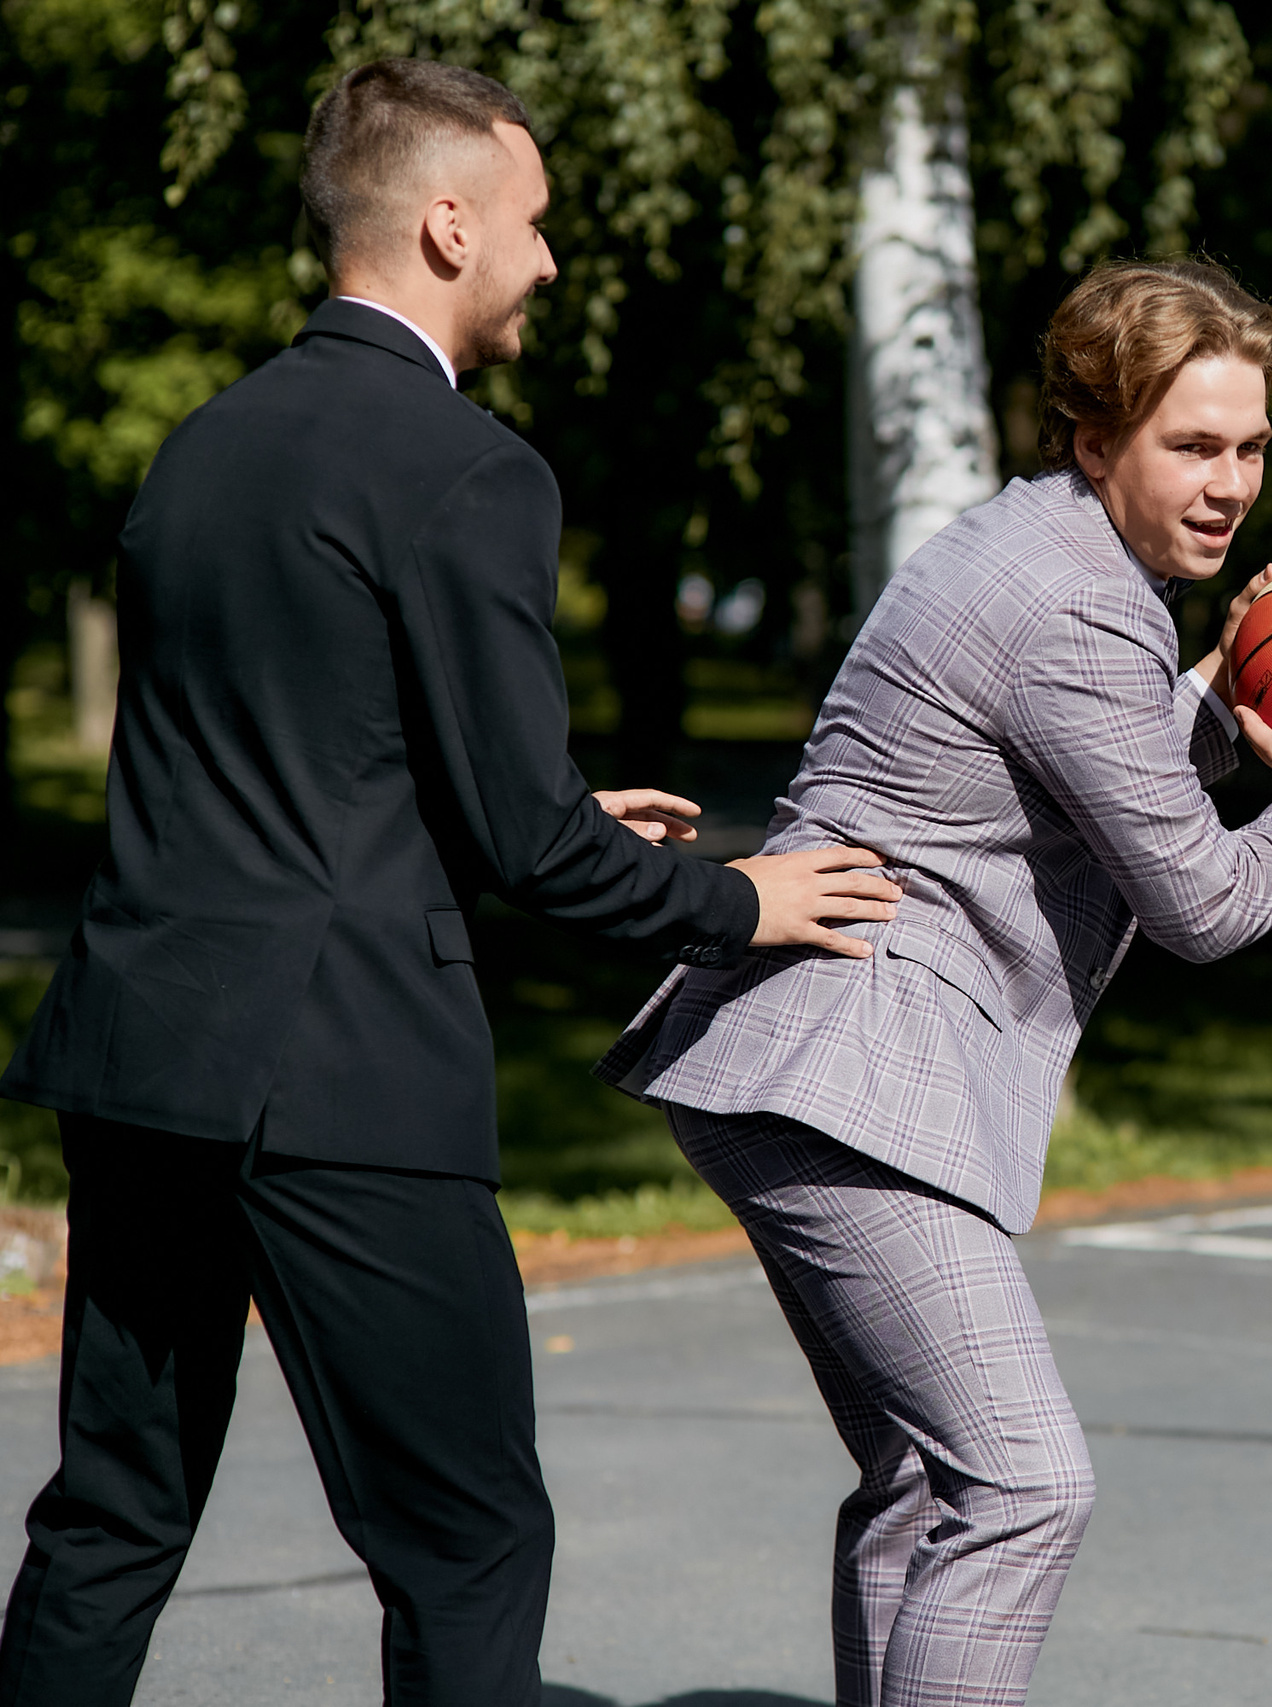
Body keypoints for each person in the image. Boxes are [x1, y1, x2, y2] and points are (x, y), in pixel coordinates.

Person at [0, 59, 897, 1707]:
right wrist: (744, 904)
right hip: (345, 1082)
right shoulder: (473, 467)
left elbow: (292, 762)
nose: (548, 261)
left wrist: (520, 811)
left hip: (138, 1060)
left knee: (112, 1519)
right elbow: (533, 846)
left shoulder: (201, 447)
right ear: (446, 225)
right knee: (468, 1546)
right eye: (535, 224)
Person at [598, 257, 1272, 1707]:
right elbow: (1204, 904)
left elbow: (1078, 765)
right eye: (1193, 446)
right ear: (1095, 439)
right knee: (1026, 1486)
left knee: (922, 1480)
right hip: (841, 1072)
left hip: (795, 1049)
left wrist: (1216, 697)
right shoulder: (1080, 605)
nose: (1232, 487)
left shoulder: (1050, 552)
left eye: (1250, 449)